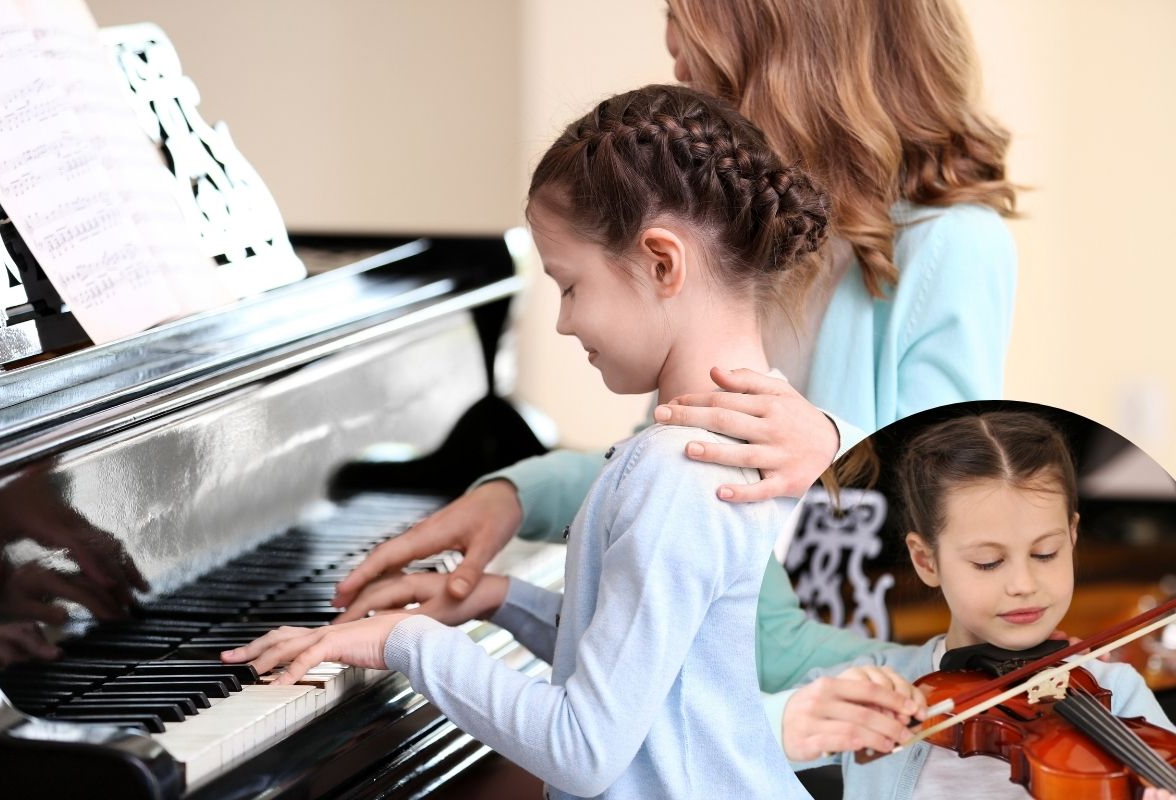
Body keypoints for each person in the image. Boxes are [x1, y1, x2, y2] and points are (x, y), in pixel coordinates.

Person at [332, 1, 1018, 753]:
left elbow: (959, 515)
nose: (680, 79)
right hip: (713, 689)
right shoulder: (742, 254)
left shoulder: (953, 246)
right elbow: (676, 467)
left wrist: (829, 443)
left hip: (839, 701)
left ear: (786, 59)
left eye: (697, 64)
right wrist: (515, 495)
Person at [223, 84, 926, 799]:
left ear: (662, 264)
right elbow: (657, 668)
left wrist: (404, 642)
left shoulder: (678, 470)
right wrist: (499, 598)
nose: (562, 322)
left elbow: (585, 750)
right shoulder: (736, 446)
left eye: (568, 285)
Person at [770, 410, 1176, 800]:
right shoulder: (872, 687)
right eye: (988, 562)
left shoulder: (1116, 690)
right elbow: (734, 747)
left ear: (1071, 536)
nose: (1023, 585)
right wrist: (788, 725)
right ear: (926, 561)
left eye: (1045, 553)